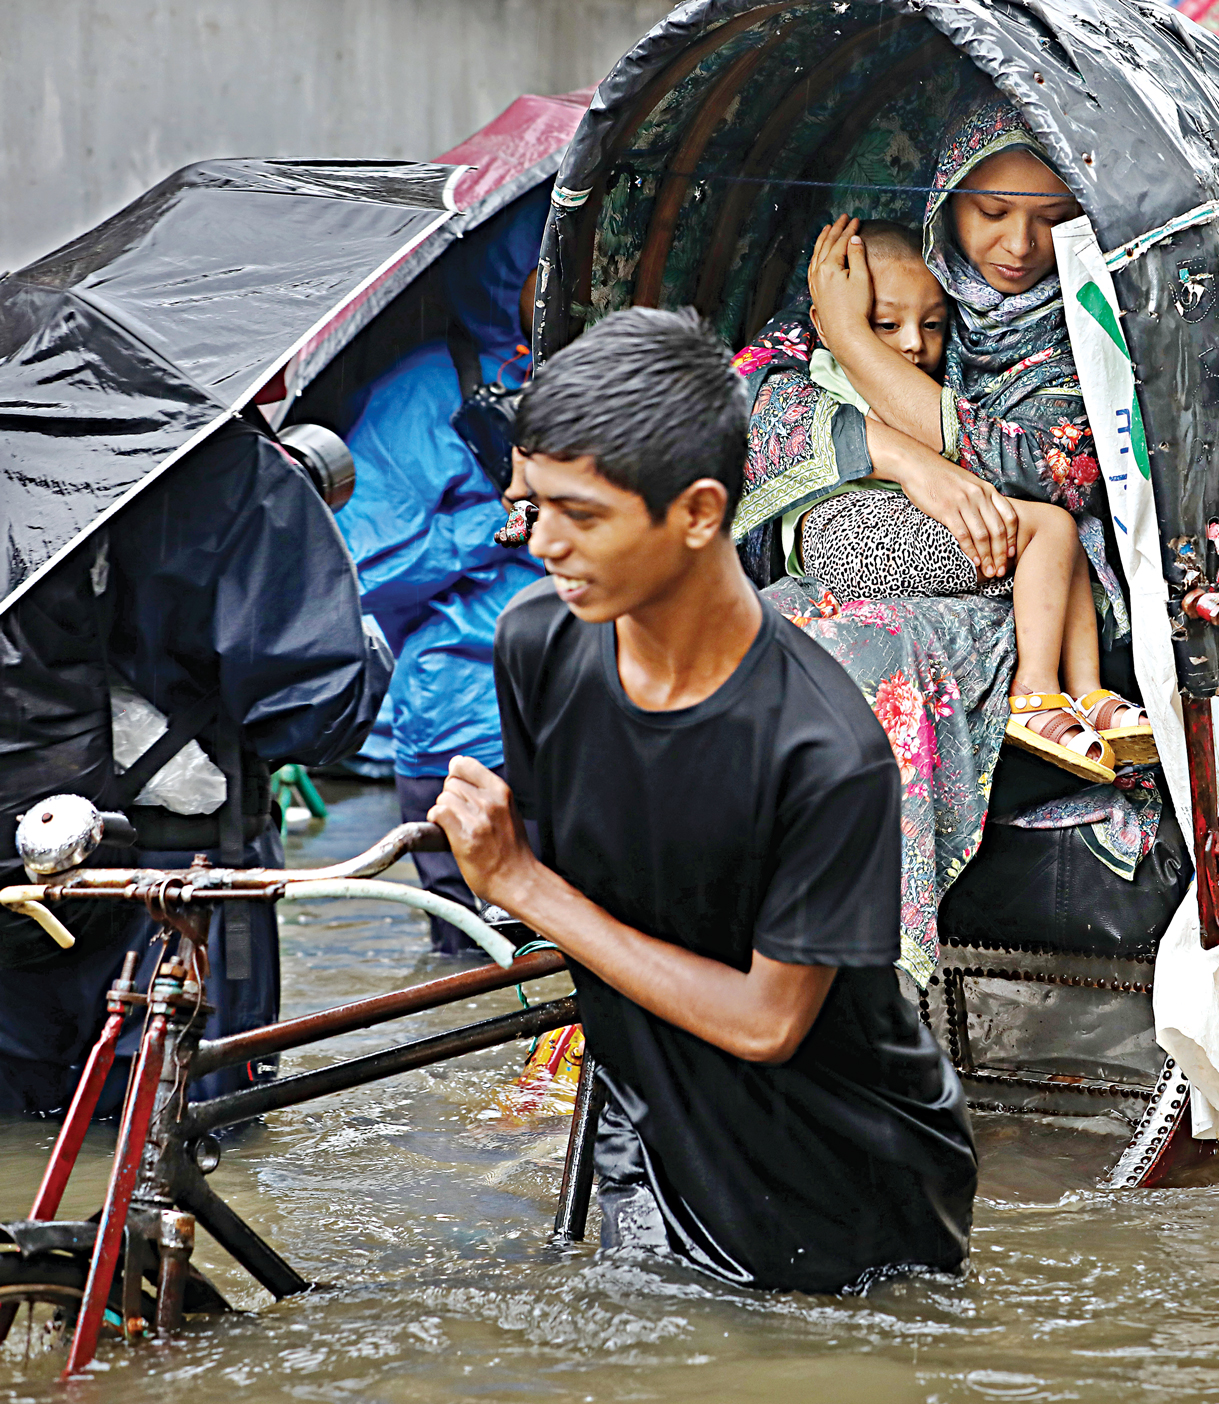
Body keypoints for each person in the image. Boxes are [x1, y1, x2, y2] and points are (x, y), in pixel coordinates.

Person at [429, 306, 976, 1293]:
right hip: (650, 1127)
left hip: (842, 1178)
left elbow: (770, 1023)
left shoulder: (824, 747)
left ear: (696, 512)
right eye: (531, 505)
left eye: (580, 514)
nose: (541, 543)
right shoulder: (538, 645)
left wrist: (522, 886)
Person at [728, 89, 1161, 981]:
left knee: (868, 646)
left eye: (1052, 218)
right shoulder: (901, 282)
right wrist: (899, 454)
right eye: (991, 212)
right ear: (944, 208)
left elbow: (1052, 467)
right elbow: (746, 394)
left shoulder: (1092, 325)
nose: (1017, 247)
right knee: (745, 641)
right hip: (876, 552)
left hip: (1035, 594)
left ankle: (862, 967)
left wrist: (858, 341)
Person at [0, 423, 392, 1115]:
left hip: (12, 874)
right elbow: (320, 716)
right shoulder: (227, 466)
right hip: (177, 884)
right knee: (187, 1146)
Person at [790, 216, 1149, 780]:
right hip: (849, 531)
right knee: (1051, 531)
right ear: (829, 321)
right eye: (886, 324)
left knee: (1071, 535)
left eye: (933, 325)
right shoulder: (836, 374)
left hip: (897, 527)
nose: (912, 344)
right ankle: (1036, 694)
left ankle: (1089, 695)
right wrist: (851, 337)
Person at [336, 196, 546, 956]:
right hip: (464, 722)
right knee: (473, 976)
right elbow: (366, 568)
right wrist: (495, 525)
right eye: (546, 264)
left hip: (591, 716)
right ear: (507, 275)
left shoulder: (608, 374)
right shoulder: (423, 392)